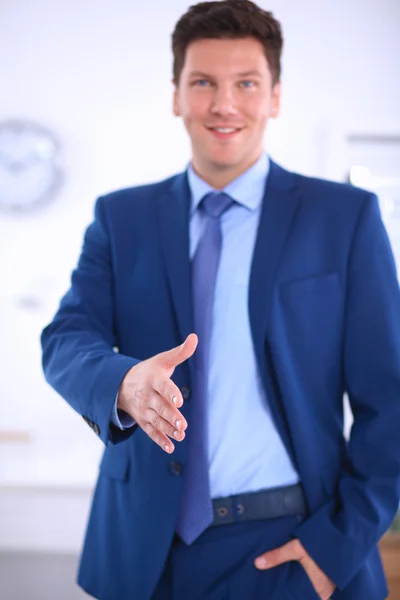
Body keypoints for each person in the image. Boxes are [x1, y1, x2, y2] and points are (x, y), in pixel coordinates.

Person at [41, 1, 400, 599]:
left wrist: (336, 543)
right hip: (147, 556)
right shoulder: (121, 218)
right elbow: (66, 338)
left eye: (247, 84)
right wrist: (123, 382)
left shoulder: (345, 219)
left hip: (294, 547)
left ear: (275, 97)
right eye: (203, 82)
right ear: (177, 95)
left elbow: (391, 398)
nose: (224, 104)